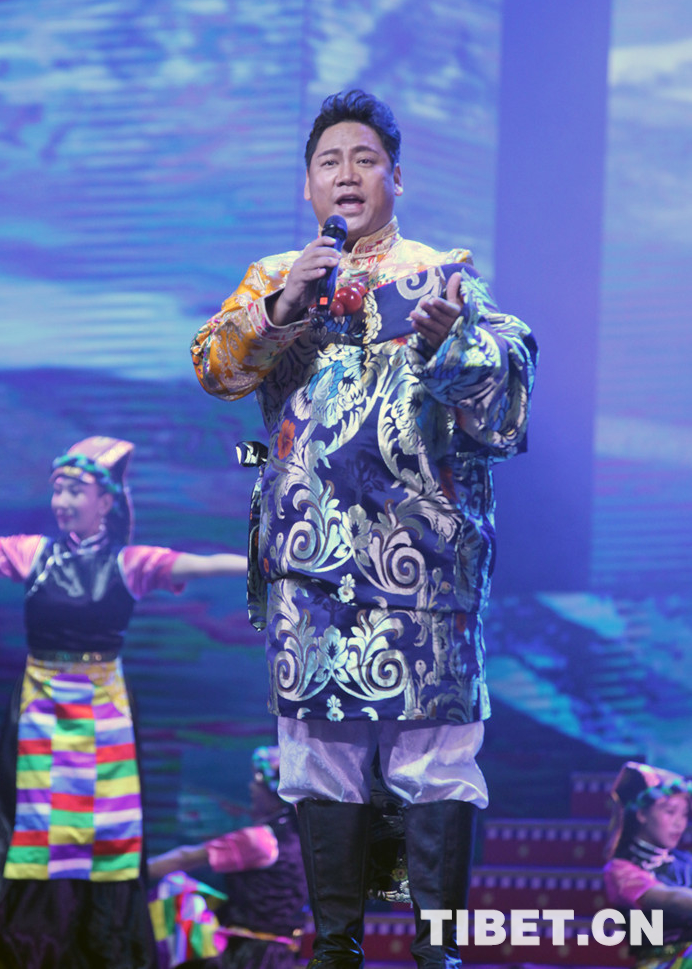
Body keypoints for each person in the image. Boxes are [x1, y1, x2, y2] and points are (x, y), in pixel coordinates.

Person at [191, 89, 538, 969]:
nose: (346, 174)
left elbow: (505, 413)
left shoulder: (442, 274)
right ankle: (336, 948)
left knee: (435, 756)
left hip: (426, 563)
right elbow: (216, 367)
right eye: (329, 161)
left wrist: (453, 344)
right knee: (318, 753)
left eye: (365, 159)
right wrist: (282, 309)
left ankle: (436, 952)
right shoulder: (277, 276)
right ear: (308, 184)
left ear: (396, 177)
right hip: (310, 565)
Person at [0, 435, 247, 969]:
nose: (61, 502)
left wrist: (265, 561)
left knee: (106, 830)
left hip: (104, 713)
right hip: (39, 709)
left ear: (106, 501)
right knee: (30, 824)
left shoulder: (130, 563)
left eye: (74, 491)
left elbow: (201, 565)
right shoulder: (31, 553)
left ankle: (96, 946)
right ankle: (27, 943)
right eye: (57, 490)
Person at [149, 746, 308, 969]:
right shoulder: (303, 838)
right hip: (284, 955)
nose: (251, 787)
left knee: (174, 887)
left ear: (275, 791)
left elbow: (185, 858)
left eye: (258, 782)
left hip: (247, 956)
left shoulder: (259, 840)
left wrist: (132, 872)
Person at [603, 761, 692, 969]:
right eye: (670, 812)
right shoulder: (620, 870)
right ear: (642, 814)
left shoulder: (686, 861)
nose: (679, 823)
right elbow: (672, 899)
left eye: (684, 814)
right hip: (659, 962)